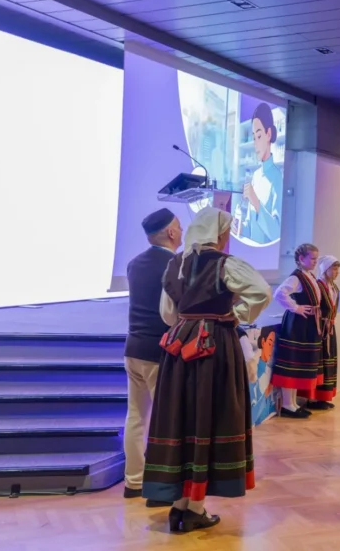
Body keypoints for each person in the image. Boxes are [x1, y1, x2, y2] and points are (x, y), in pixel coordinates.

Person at [144, 207, 271, 532]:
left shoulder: (176, 263)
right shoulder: (224, 264)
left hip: (178, 347)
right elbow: (262, 292)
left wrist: (189, 321)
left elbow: (167, 314)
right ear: (219, 233)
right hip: (215, 346)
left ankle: (180, 505)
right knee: (210, 417)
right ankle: (195, 508)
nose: (227, 236)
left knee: (182, 419)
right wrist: (235, 314)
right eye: (227, 230)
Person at [122, 209, 183, 504]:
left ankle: (133, 481)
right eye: (179, 227)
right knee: (167, 421)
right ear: (170, 232)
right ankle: (162, 486)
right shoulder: (176, 264)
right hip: (161, 351)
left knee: (136, 416)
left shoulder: (134, 264)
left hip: (133, 348)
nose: (182, 232)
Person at [271, 243, 324, 419]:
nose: (315, 262)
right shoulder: (296, 278)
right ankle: (287, 404)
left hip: (307, 324)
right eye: (312, 258)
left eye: (316, 258)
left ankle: (293, 403)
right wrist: (296, 307)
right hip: (297, 324)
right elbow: (279, 293)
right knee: (292, 361)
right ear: (301, 259)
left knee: (299, 362)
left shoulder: (309, 275)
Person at [236, 103, 281, 245]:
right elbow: (251, 227)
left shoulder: (278, 177)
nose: (255, 143)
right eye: (254, 137)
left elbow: (276, 234)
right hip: (251, 252)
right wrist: (239, 228)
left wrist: (255, 201)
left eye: (259, 136)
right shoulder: (255, 176)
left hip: (268, 255)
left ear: (269, 134)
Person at [308, 255, 340, 411]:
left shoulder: (334, 287)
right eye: (334, 268)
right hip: (320, 329)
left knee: (329, 362)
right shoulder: (318, 286)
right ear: (325, 269)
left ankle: (324, 397)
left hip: (329, 328)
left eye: (337, 269)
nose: (337, 272)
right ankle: (313, 398)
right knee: (319, 363)